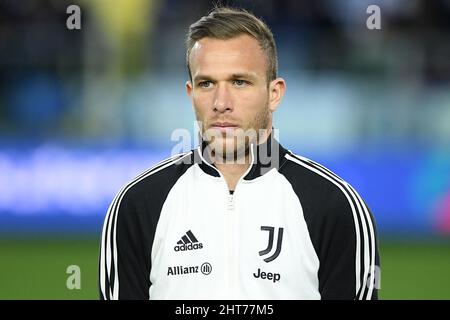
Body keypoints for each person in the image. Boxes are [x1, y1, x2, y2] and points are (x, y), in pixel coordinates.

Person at [99, 6, 380, 300]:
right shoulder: (138, 204)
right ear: (190, 94)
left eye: (239, 82)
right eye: (206, 84)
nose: (221, 102)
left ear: (274, 94)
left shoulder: (335, 205)